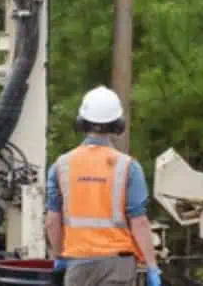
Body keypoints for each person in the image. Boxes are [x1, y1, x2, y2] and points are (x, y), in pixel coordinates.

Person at [45, 85, 162, 286]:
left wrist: (59, 256)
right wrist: (152, 267)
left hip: (78, 263)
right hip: (118, 263)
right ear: (118, 124)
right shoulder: (128, 166)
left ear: (81, 122)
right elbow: (139, 223)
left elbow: (52, 221)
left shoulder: (61, 165)